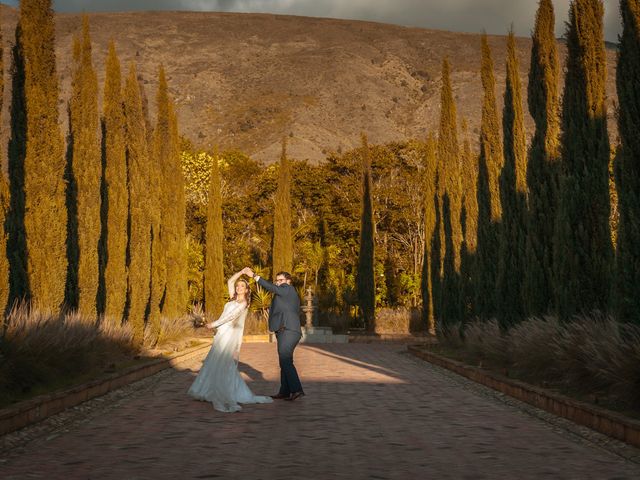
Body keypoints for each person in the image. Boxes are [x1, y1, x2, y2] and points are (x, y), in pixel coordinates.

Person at [188, 270, 273, 412]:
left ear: (246, 290)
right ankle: (207, 390)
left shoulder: (243, 304)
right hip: (222, 332)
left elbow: (229, 317)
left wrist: (212, 324)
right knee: (214, 361)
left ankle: (227, 392)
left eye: (242, 286)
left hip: (228, 335)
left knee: (224, 363)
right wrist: (242, 272)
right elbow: (229, 282)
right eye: (238, 286)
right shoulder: (233, 299)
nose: (239, 288)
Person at [243, 268, 304, 401]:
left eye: (281, 280)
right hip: (284, 330)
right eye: (277, 281)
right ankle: (285, 391)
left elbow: (272, 288)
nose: (278, 283)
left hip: (288, 330)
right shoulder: (283, 293)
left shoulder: (288, 289)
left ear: (288, 281)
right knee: (285, 361)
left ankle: (296, 389)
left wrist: (254, 276)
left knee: (286, 360)